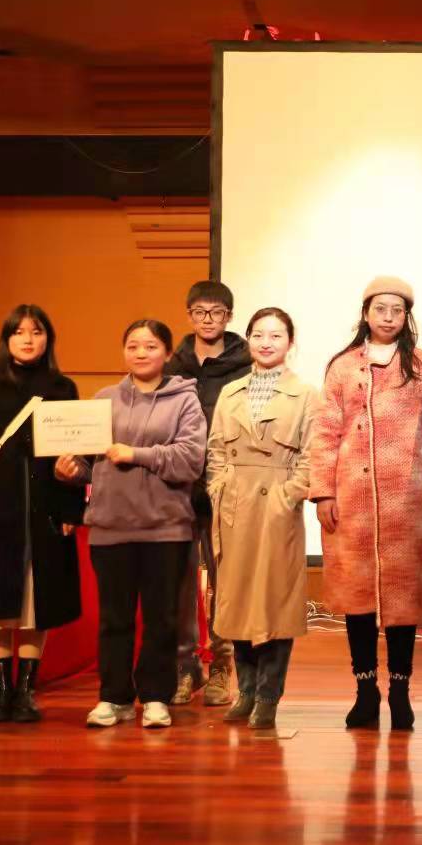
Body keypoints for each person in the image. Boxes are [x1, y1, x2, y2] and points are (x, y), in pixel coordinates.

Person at [308, 277, 422, 731]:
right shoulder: (343, 367)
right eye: (380, 308)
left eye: (397, 310)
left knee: (404, 596)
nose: (388, 317)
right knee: (359, 594)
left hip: (408, 496)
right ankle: (365, 690)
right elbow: (326, 432)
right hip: (352, 498)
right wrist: (323, 490)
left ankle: (400, 691)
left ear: (407, 317)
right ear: (366, 313)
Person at [55, 319, 206, 730]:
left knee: (162, 620)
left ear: (167, 353)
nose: (141, 353)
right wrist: (72, 471)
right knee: (114, 620)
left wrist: (136, 454)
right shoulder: (102, 401)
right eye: (133, 345)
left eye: (151, 345)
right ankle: (114, 697)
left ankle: (155, 696)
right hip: (110, 527)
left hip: (166, 528)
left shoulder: (185, 401)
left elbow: (190, 460)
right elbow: (91, 466)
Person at [0, 305, 86, 724]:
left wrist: (71, 507)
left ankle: (26, 692)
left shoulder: (62, 387)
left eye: (36, 332)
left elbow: (76, 453)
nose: (28, 339)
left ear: (48, 339)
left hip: (47, 508)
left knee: (36, 602)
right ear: (6, 339)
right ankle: (1, 691)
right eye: (19, 332)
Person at [206, 308, 315, 730]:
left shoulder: (305, 394)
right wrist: (219, 487)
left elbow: (313, 454)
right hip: (234, 505)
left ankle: (269, 696)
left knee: (275, 601)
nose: (266, 342)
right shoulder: (230, 392)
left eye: (276, 335)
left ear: (290, 342)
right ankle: (246, 691)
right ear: (248, 339)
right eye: (258, 335)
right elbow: (216, 450)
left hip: (276, 505)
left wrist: (289, 496)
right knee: (235, 600)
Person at [165, 280, 252, 706]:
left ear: (229, 316)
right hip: (177, 488)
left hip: (227, 487)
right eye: (200, 311)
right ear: (189, 315)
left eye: (216, 312)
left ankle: (222, 664)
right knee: (180, 582)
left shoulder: (246, 365)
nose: (207, 319)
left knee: (225, 581)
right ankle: (186, 667)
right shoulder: (172, 365)